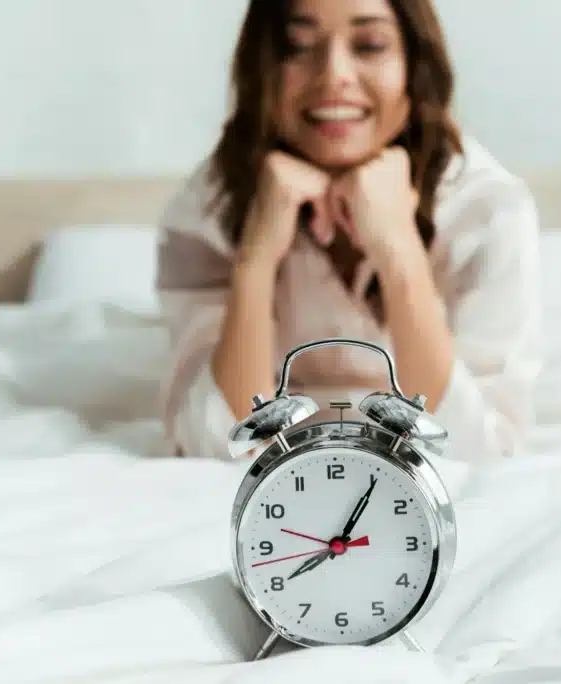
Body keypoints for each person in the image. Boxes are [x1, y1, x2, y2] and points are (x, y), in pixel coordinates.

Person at [155, 0, 541, 462]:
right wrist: (255, 261)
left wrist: (399, 251)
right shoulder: (207, 208)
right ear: (263, 68)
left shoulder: (486, 211)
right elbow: (216, 445)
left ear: (415, 67)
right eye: (297, 47)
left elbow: (477, 448)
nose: (334, 74)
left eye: (369, 45)